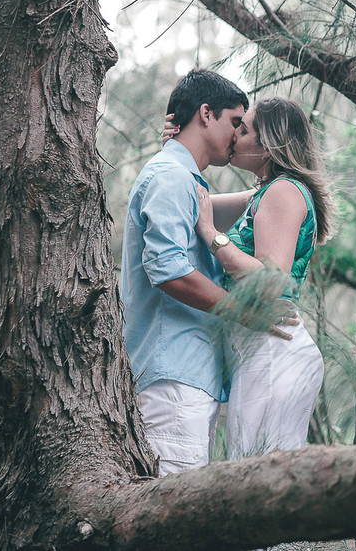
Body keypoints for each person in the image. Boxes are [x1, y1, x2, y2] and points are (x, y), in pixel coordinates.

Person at [120, 70, 296, 475]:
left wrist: (285, 174)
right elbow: (169, 271)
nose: (238, 135)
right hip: (173, 378)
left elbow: (254, 201)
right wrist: (245, 311)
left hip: (183, 377)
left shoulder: (182, 179)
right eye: (236, 122)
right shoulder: (171, 178)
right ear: (206, 114)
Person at [183, 97, 333, 458]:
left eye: (244, 129)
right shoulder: (265, 193)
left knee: (256, 478)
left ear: (269, 147)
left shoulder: (284, 191)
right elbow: (191, 200)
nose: (236, 134)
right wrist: (180, 146)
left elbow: (272, 280)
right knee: (252, 473)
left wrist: (211, 235)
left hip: (274, 351)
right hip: (262, 349)